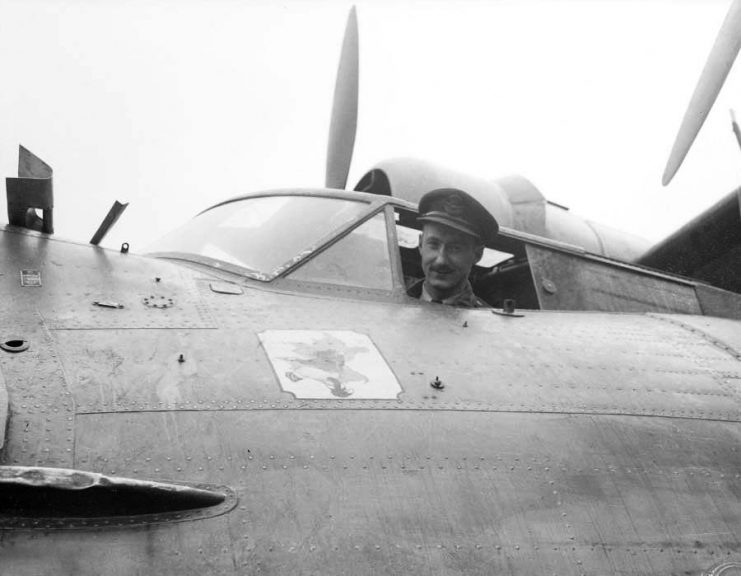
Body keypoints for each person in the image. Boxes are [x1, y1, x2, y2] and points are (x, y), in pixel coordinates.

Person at [407, 187, 498, 308]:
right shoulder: (389, 300)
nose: (441, 260)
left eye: (455, 248)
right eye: (434, 245)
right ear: (420, 245)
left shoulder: (489, 322)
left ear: (477, 254)